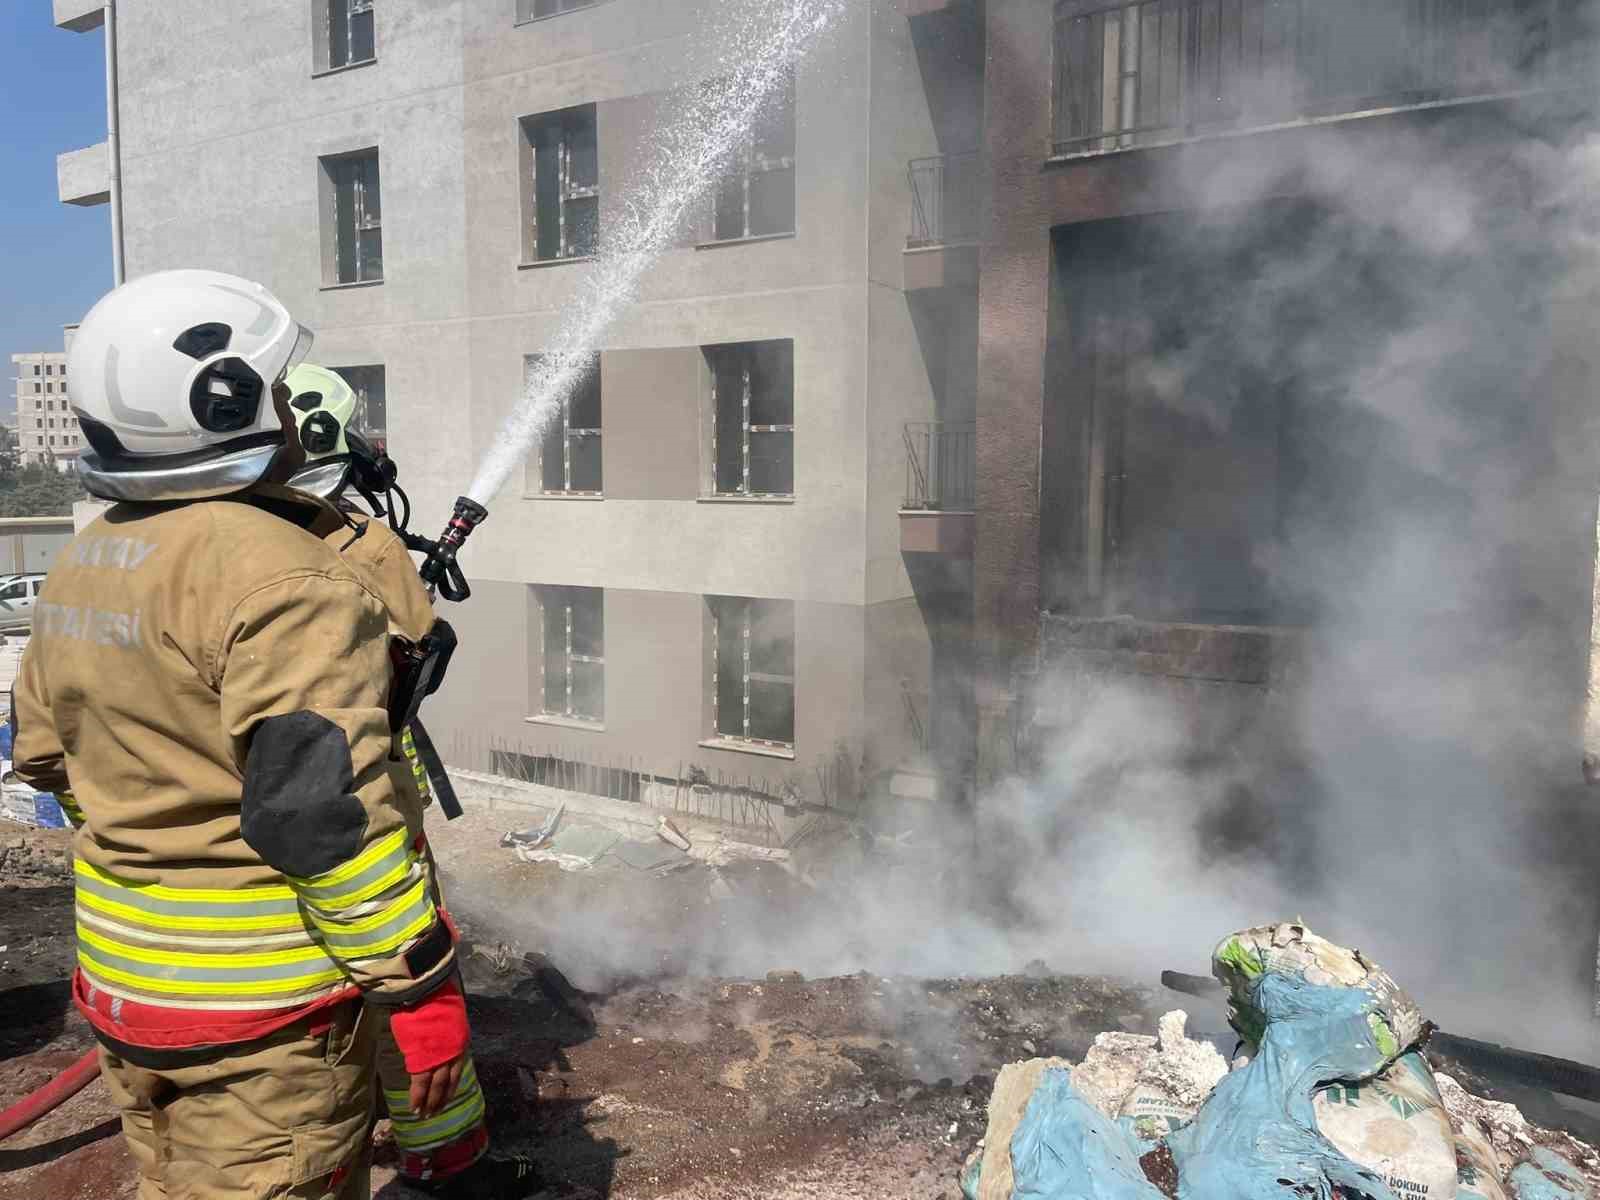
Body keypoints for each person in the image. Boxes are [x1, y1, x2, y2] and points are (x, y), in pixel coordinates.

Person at [8, 270, 479, 1200]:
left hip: (126, 994)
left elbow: (42, 755)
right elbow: (319, 822)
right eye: (274, 385)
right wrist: (419, 990)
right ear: (222, 401)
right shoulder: (286, 576)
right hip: (262, 1019)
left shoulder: (90, 553)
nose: (293, 409)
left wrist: (163, 822)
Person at [281, 363, 535, 1193]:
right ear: (328, 439)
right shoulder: (359, 541)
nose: (371, 448)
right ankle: (449, 1165)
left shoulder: (191, 545)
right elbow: (413, 657)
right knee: (406, 980)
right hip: (357, 833)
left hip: (208, 928)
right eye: (360, 431)